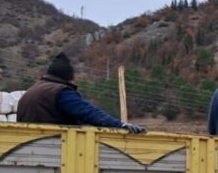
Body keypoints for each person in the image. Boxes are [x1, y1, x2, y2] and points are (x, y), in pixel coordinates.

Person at [17, 53, 145, 133]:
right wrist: (120, 125)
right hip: (54, 150)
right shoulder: (60, 92)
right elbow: (88, 112)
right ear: (67, 76)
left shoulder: (30, 92)